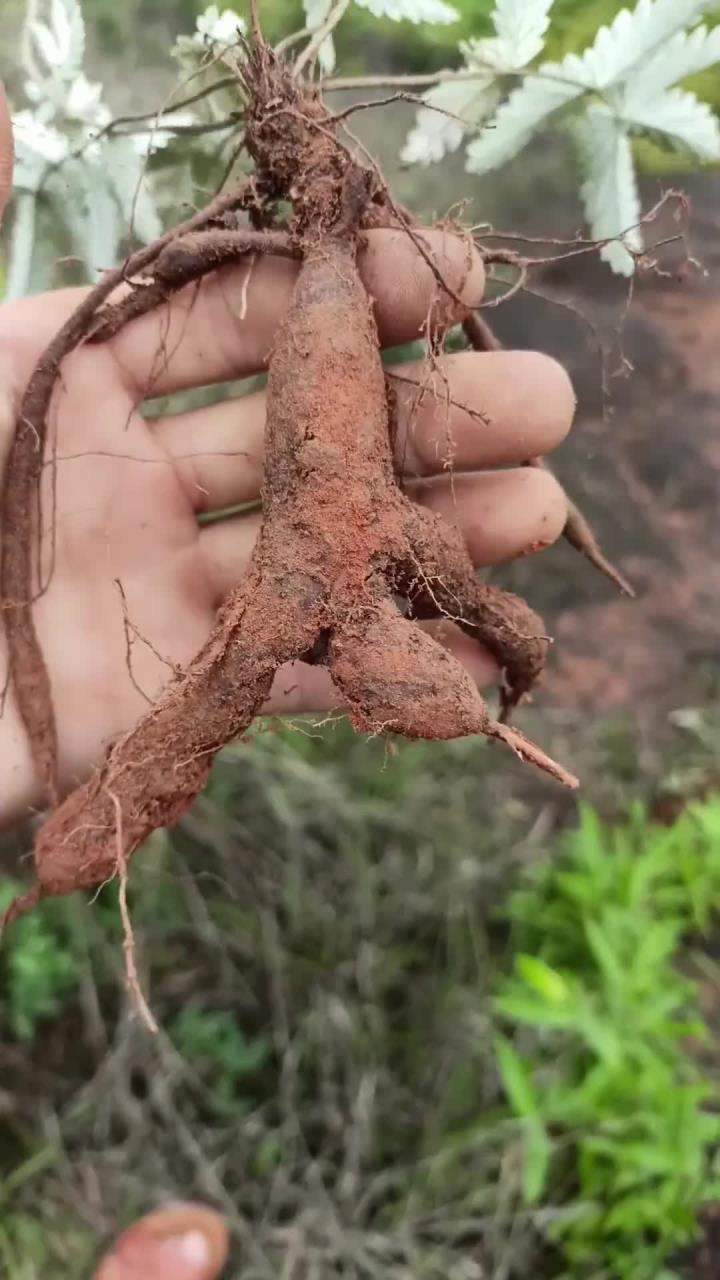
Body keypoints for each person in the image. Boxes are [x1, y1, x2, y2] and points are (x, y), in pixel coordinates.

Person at [0, 81, 575, 1279]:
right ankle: (52, 869)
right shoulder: (318, 276)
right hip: (305, 480)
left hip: (335, 455)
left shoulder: (338, 296)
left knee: (491, 591)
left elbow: (485, 615)